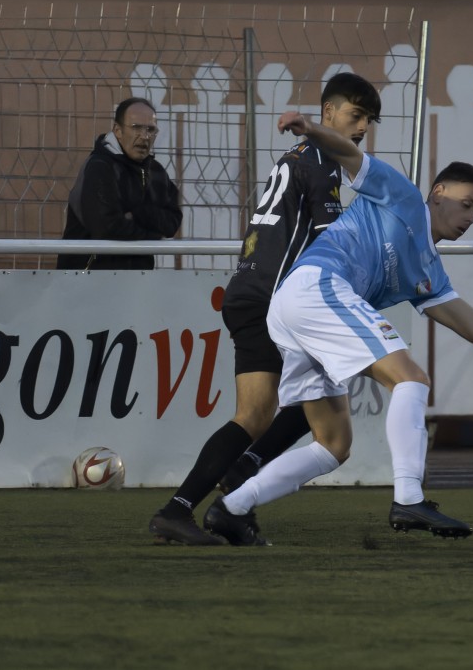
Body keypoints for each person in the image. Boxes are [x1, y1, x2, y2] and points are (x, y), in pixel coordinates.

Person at [201, 112, 473, 545]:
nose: (471, 215)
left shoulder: (429, 273)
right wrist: (313, 129)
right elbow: (349, 153)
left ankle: (231, 508)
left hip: (297, 310)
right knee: (411, 379)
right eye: (466, 203)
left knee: (333, 445)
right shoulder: (403, 196)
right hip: (315, 288)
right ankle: (409, 497)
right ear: (438, 193)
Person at [148, 73, 382, 545]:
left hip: (249, 292)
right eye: (355, 116)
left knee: (262, 411)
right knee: (323, 391)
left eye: (368, 121)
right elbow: (327, 240)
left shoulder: (298, 158)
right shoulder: (322, 162)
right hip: (275, 299)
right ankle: (237, 480)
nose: (360, 128)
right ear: (328, 112)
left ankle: (186, 506)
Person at [57, 97, 182, 270]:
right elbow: (107, 229)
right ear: (118, 130)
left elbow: (172, 222)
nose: (144, 136)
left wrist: (138, 213)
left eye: (150, 129)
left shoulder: (156, 171)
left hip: (137, 279)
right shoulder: (99, 167)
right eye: (136, 127)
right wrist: (154, 235)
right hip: (88, 277)